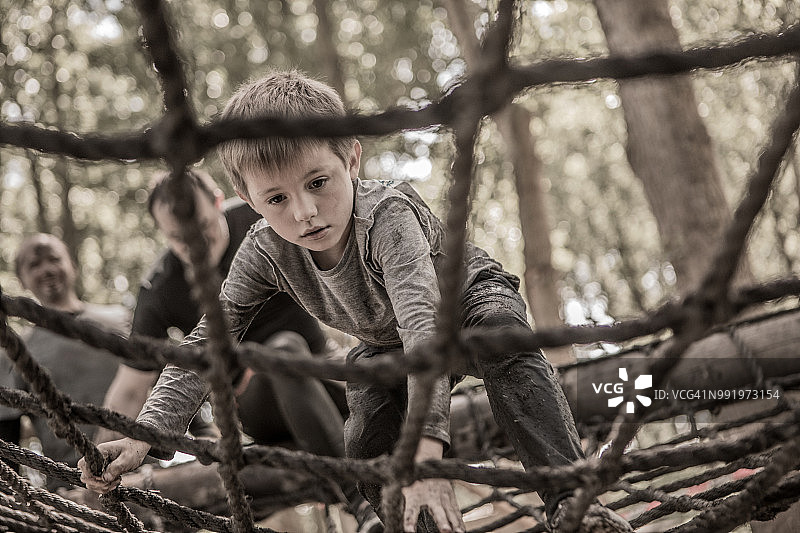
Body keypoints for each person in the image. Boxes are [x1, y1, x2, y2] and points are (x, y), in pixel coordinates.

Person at [79, 70, 632, 533]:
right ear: (249, 202)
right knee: (366, 431)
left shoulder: (386, 217)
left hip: (464, 304)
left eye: (318, 182)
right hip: (387, 343)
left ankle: (570, 502)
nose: (305, 212)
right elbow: (207, 343)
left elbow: (423, 325)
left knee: (505, 341)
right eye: (277, 199)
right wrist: (143, 437)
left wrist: (426, 457)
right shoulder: (264, 250)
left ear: (352, 160)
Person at [97, 168, 381, 532]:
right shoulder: (161, 288)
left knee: (334, 367)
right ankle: (363, 497)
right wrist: (101, 451)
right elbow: (132, 384)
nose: (194, 246)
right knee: (281, 350)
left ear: (219, 201)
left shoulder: (263, 220)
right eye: (179, 239)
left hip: (322, 377)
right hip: (255, 404)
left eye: (201, 227)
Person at [12, 233, 130, 488]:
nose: (46, 269)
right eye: (34, 264)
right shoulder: (16, 352)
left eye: (54, 259)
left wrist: (204, 435)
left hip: (145, 470)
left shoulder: (120, 320)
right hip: (71, 488)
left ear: (72, 264)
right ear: (21, 280)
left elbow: (164, 378)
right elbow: (6, 444)